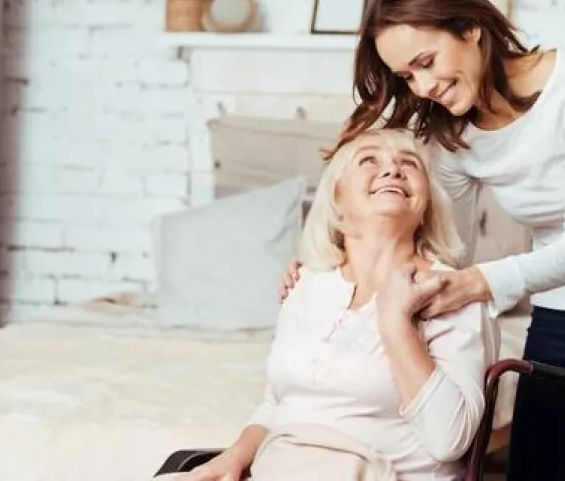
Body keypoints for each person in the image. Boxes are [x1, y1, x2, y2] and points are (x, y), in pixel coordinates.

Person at [280, 0, 565, 481]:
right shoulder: (452, 135)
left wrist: (477, 284)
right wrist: (326, 270)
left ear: (471, 29)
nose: (424, 85)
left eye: (426, 61)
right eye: (408, 76)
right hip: (562, 314)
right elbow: (443, 252)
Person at [175, 128, 499, 481]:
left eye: (409, 164)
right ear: (338, 203)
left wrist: (396, 324)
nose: (392, 170)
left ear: (425, 209)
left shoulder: (452, 292)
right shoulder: (306, 286)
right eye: (369, 160)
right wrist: (232, 457)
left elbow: (449, 441)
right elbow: (278, 404)